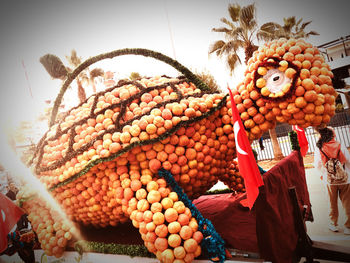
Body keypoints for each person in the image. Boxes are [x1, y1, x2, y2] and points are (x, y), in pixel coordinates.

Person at [314, 126, 350, 234]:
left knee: (332, 203)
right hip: (344, 180)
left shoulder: (320, 147)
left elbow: (317, 164)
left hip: (330, 180)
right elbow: (348, 160)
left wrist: (322, 174)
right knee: (347, 202)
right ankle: (348, 226)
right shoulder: (339, 144)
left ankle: (333, 224)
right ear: (332, 134)